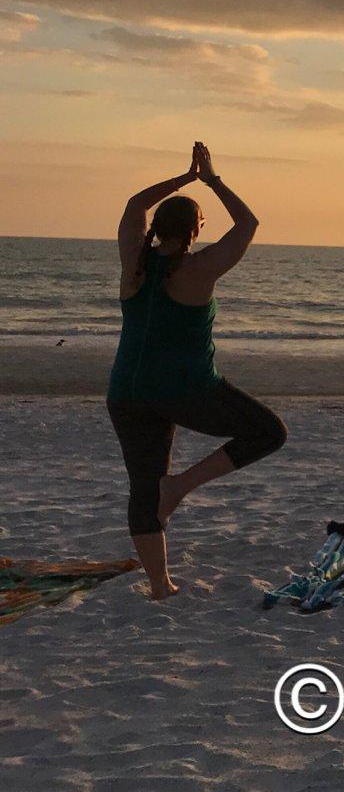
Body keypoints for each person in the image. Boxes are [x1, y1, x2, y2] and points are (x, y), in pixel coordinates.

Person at [107, 142, 287, 600]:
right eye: (202, 224)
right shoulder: (199, 267)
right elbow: (248, 224)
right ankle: (181, 486)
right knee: (268, 432)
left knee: (143, 487)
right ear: (194, 229)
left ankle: (159, 585)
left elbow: (133, 206)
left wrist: (183, 179)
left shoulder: (134, 262)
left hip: (126, 391)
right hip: (186, 388)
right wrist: (211, 179)